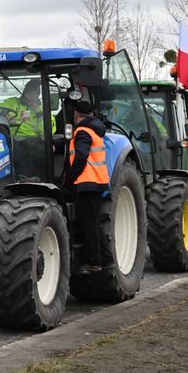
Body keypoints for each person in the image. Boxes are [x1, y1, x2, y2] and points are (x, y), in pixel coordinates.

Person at [66, 100, 110, 274]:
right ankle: (105, 260)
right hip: (96, 182)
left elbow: (81, 156)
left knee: (88, 223)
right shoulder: (94, 130)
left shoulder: (83, 132)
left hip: (87, 183)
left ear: (76, 115)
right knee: (94, 222)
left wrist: (72, 177)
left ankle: (93, 262)